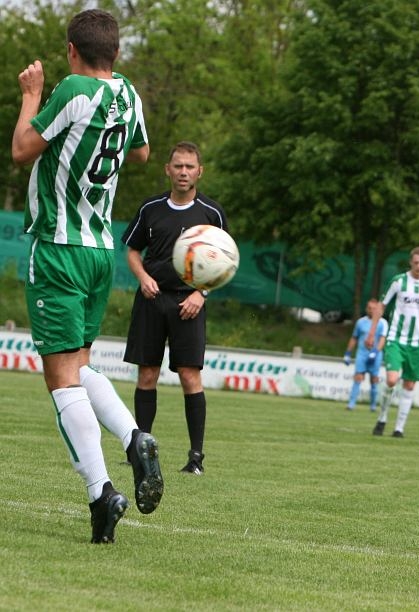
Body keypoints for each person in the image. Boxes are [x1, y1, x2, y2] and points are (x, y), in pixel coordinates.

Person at [12, 8, 162, 543]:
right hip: (101, 249)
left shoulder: (73, 87)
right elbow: (142, 151)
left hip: (58, 246)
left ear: (72, 51)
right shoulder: (127, 94)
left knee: (61, 380)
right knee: (79, 364)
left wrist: (32, 95)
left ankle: (103, 493)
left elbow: (22, 150)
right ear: (116, 53)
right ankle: (134, 438)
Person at [122, 141, 229, 476]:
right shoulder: (150, 208)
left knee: (189, 375)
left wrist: (202, 293)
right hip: (152, 300)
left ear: (200, 171)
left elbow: (225, 262)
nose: (183, 172)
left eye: (189, 167)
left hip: (190, 303)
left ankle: (195, 458)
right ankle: (141, 451)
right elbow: (132, 251)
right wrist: (142, 277)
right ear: (167, 170)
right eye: (178, 166)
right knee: (148, 373)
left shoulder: (211, 214)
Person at [372, 246, 419, 438]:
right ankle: (382, 417)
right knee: (391, 380)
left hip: (417, 344)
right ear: (410, 262)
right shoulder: (398, 281)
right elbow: (381, 306)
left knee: (410, 385)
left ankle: (399, 428)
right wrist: (372, 332)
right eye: (416, 262)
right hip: (396, 339)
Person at [344, 298, 388, 411]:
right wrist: (348, 352)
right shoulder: (360, 322)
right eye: (369, 308)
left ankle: (373, 405)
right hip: (362, 354)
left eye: (374, 308)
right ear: (366, 309)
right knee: (358, 377)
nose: (371, 310)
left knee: (374, 379)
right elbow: (354, 338)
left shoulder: (383, 322)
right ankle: (351, 404)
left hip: (376, 355)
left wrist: (375, 352)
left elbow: (382, 340)